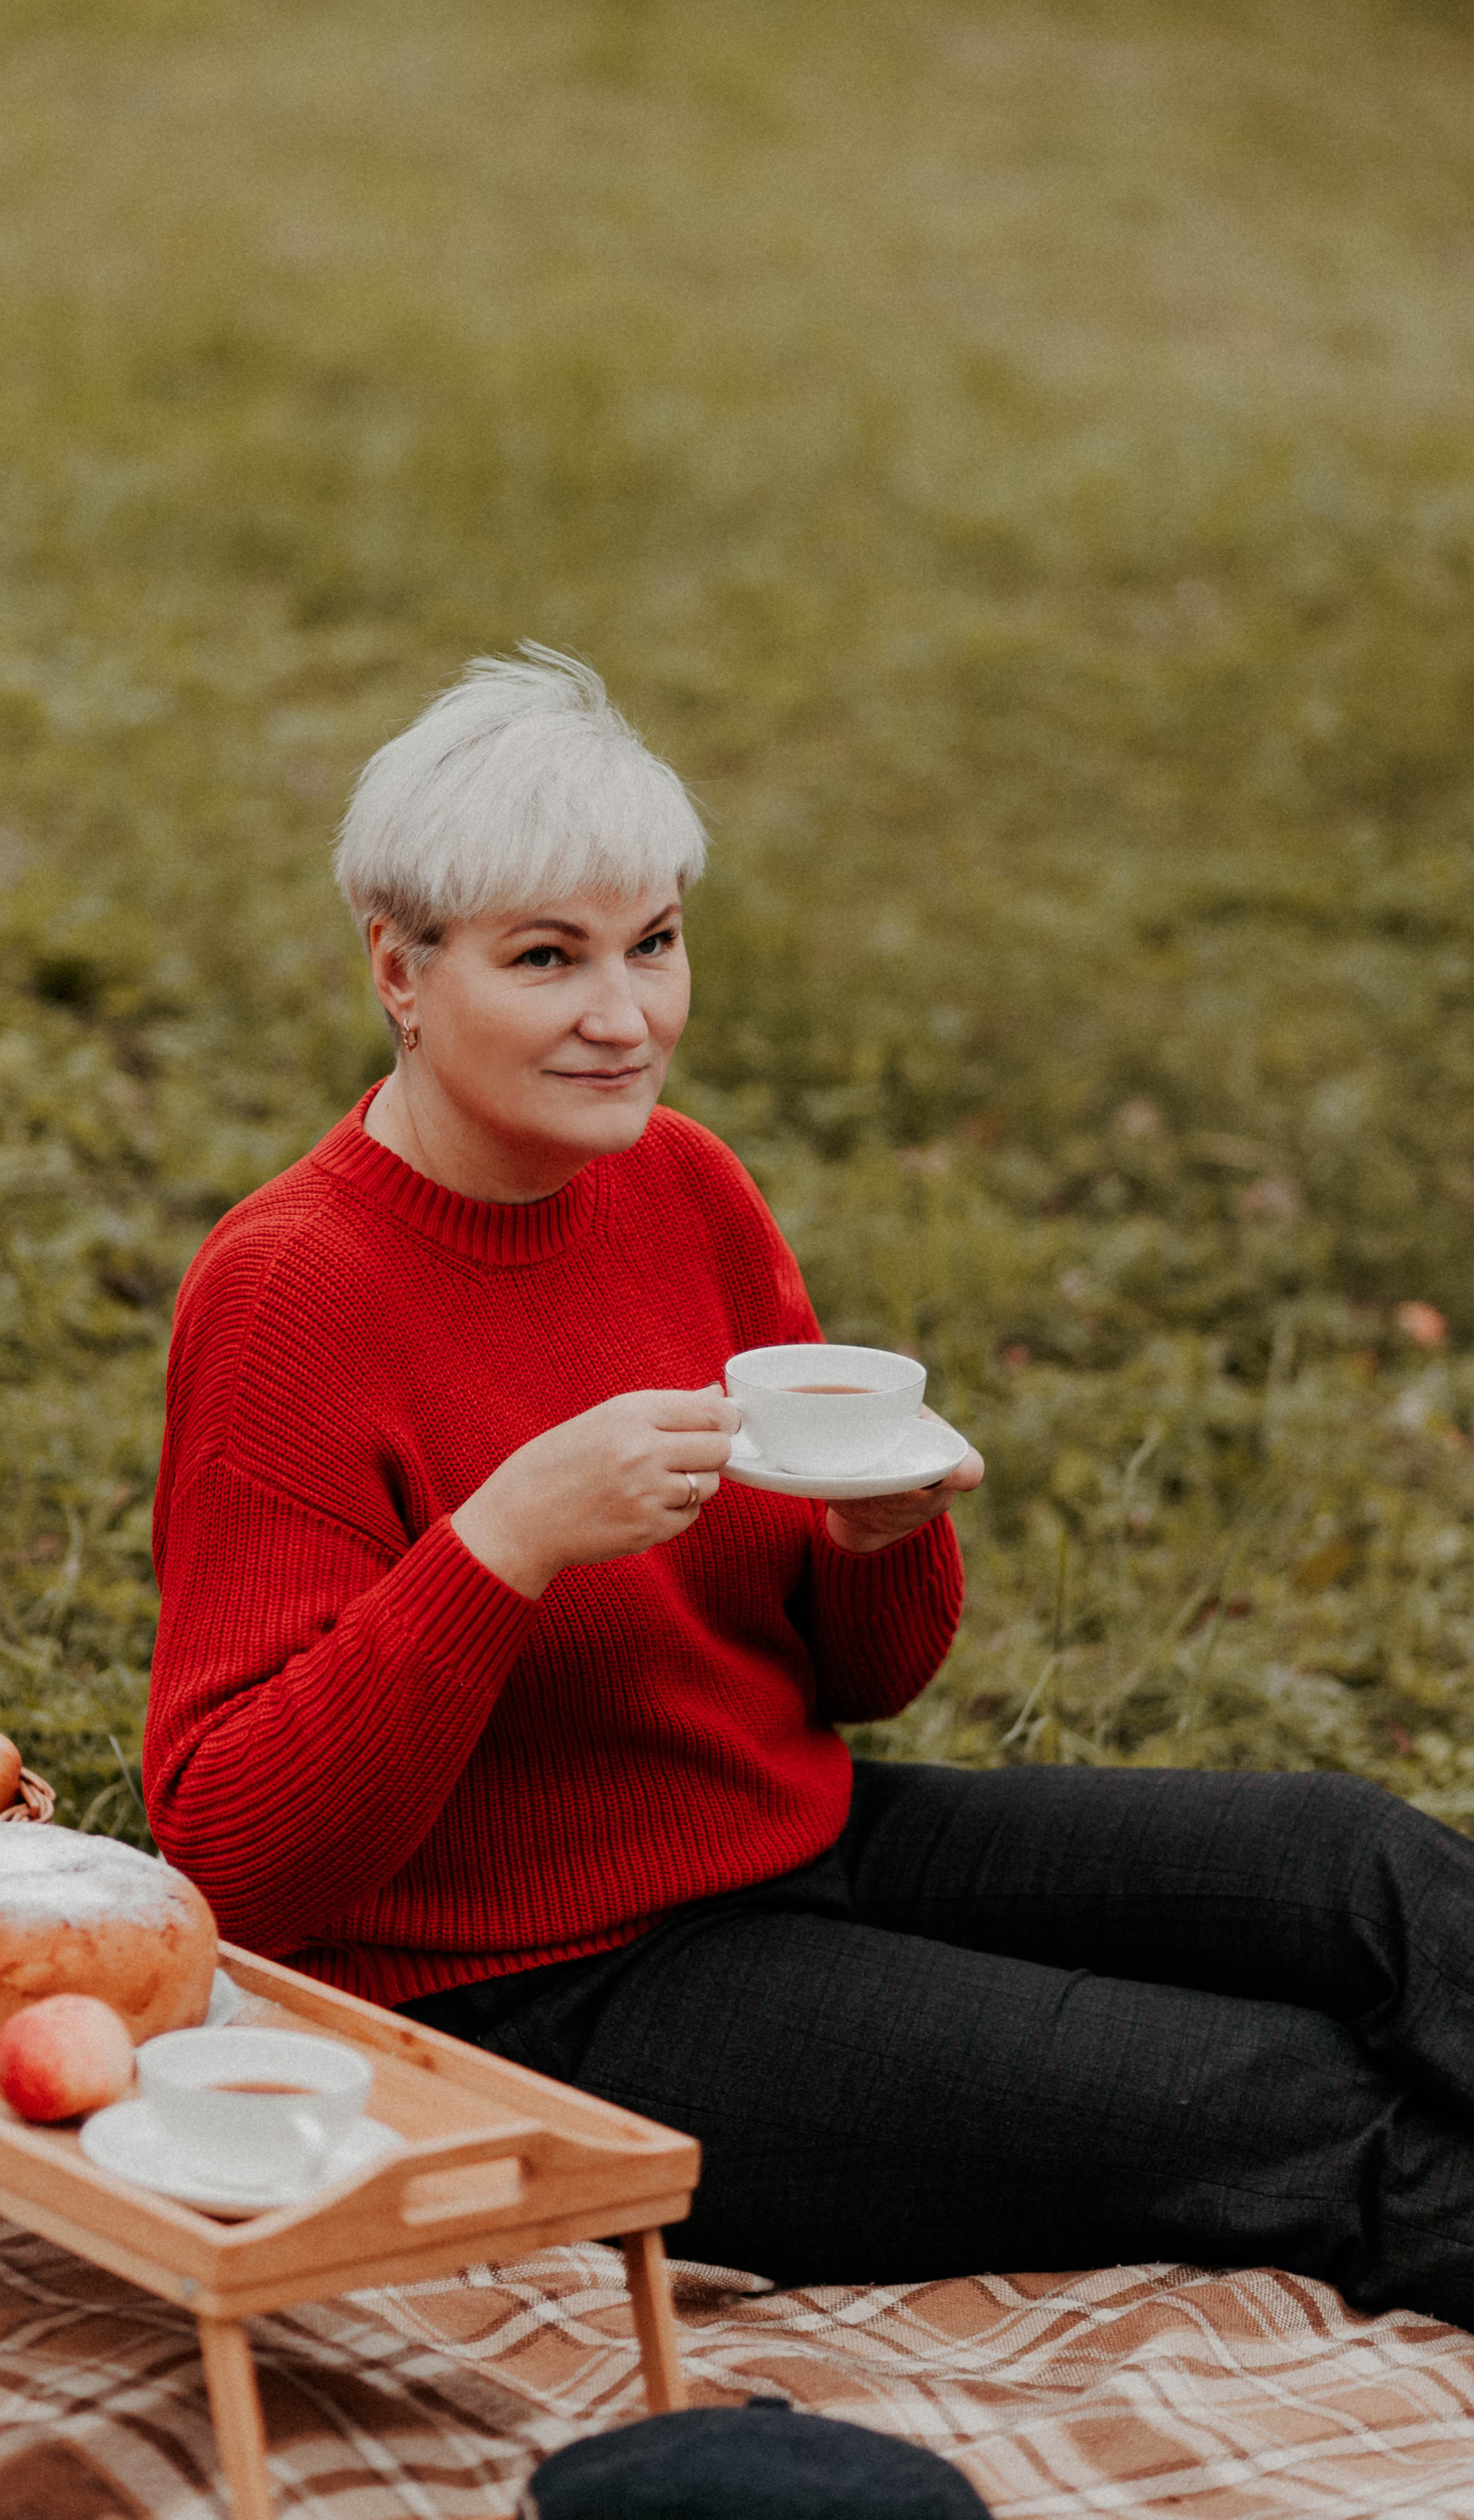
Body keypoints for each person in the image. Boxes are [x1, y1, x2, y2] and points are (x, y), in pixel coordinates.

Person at [146, 647, 1474, 2327]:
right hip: (527, 2005)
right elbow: (232, 1857)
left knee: (1354, 1869)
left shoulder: (681, 1187)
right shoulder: (288, 1294)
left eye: (652, 944)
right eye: (544, 958)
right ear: (397, 969)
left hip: (797, 1840)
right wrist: (502, 1547)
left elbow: (862, 1682)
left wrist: (881, 1539)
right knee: (1286, 2104)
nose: (622, 1016)